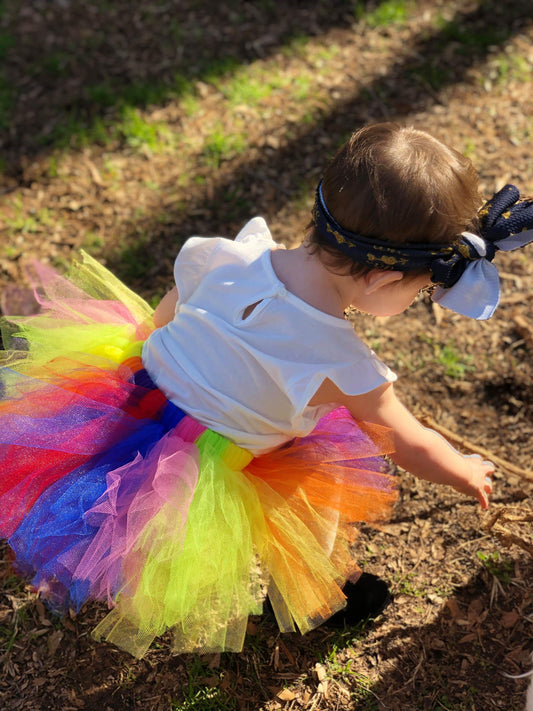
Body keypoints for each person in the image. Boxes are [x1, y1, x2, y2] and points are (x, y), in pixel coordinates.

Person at [0, 123, 531, 659]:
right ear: (383, 281)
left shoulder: (232, 255)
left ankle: (75, 556)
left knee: (102, 489)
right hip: (211, 458)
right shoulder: (343, 360)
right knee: (314, 482)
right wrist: (462, 469)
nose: (419, 298)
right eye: (422, 292)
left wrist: (169, 365)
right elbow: (407, 440)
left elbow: (164, 315)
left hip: (137, 397)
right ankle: (313, 599)